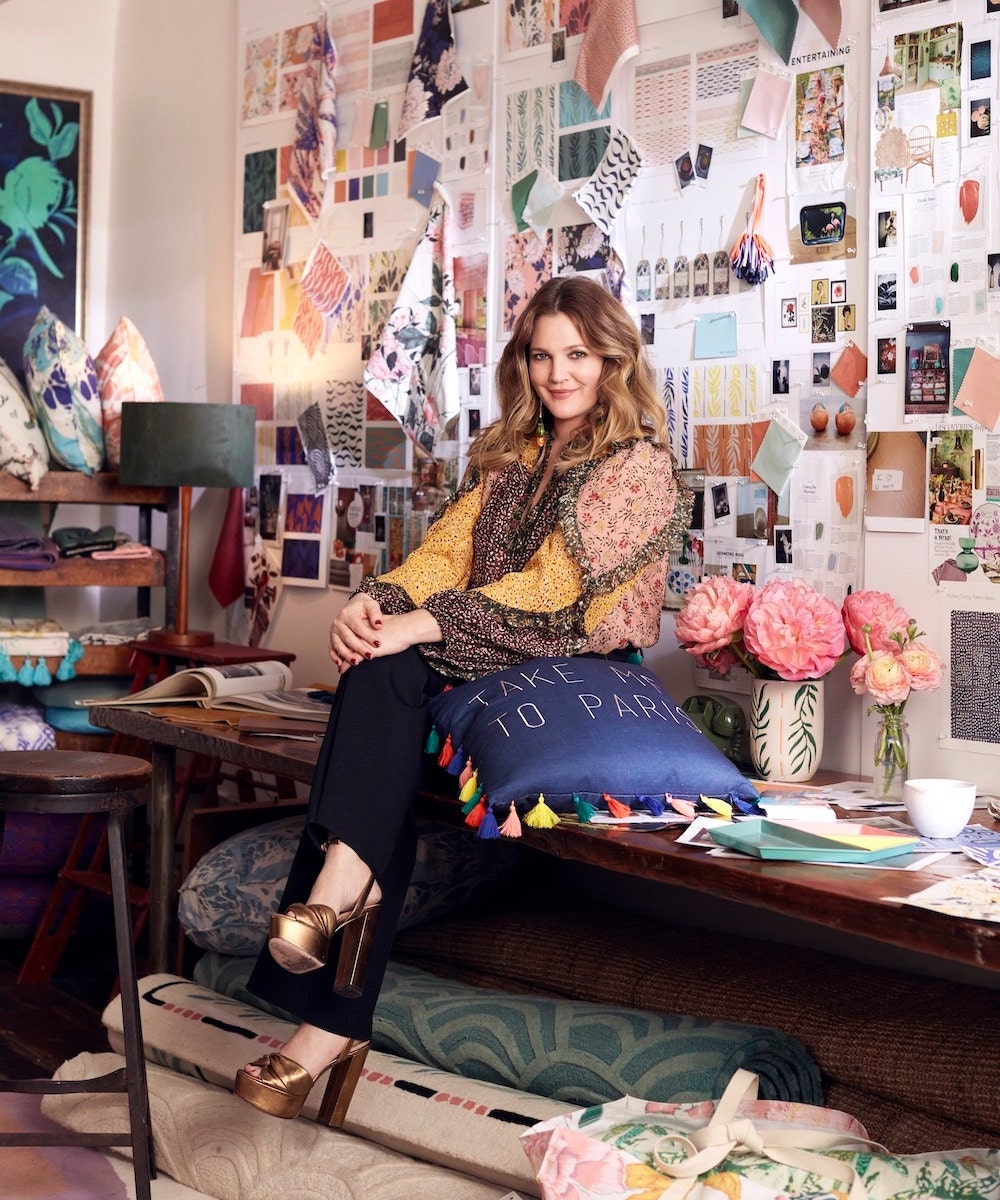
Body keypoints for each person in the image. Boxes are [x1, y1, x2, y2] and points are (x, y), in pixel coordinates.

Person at [233, 275, 692, 1126]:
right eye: (542, 355)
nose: (558, 374)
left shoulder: (640, 467)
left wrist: (421, 626)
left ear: (612, 360)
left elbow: (558, 594)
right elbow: (444, 558)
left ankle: (326, 975)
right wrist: (381, 603)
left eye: (578, 356)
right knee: (380, 663)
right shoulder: (515, 455)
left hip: (578, 656)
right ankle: (338, 904)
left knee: (396, 661)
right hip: (489, 640)